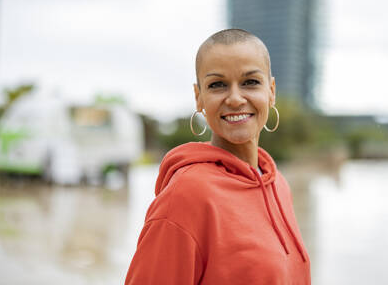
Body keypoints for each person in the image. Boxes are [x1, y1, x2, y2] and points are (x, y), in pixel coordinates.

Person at [125, 29, 311, 284]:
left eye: (250, 82)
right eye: (217, 85)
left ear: (272, 91)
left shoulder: (278, 184)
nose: (235, 99)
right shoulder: (185, 195)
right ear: (199, 97)